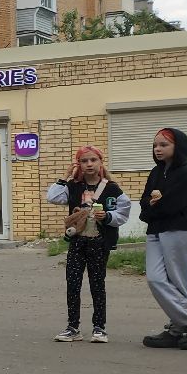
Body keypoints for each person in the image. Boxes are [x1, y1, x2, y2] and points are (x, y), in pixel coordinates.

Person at [45, 146, 132, 345]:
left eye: (93, 160)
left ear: (100, 162)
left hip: (99, 243)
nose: (89, 164)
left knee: (97, 284)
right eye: (84, 161)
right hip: (77, 242)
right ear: (79, 165)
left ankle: (99, 327)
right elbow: (52, 197)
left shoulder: (111, 188)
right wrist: (65, 177)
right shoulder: (74, 186)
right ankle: (73, 327)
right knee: (73, 284)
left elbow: (124, 212)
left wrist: (108, 216)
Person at [139, 127, 187, 350]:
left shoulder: (186, 174)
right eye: (155, 145)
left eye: (164, 145)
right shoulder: (155, 172)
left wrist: (153, 207)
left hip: (180, 229)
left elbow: (173, 205)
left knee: (179, 281)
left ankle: (178, 328)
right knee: (155, 279)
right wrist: (152, 206)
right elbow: (144, 202)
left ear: (177, 147)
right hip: (155, 230)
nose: (158, 149)